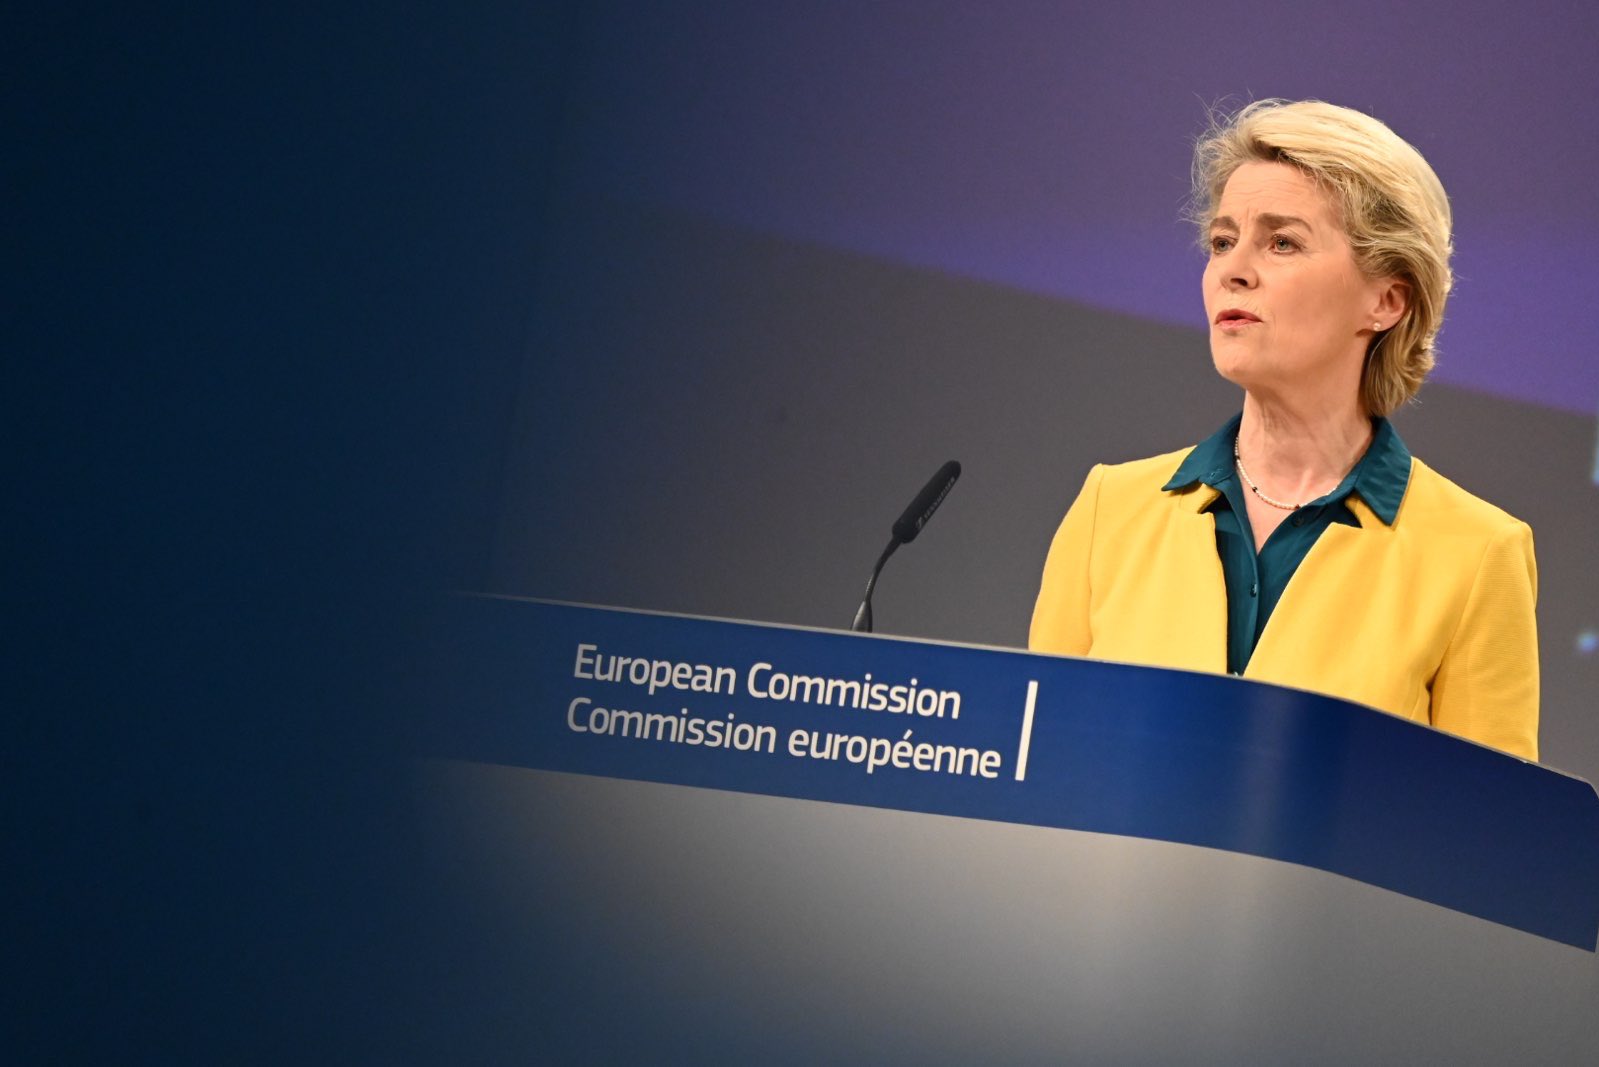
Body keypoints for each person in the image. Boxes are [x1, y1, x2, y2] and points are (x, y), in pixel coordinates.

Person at [1028, 100, 1539, 761]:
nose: (1232, 270)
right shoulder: (1109, 511)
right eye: (1222, 241)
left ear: (1386, 300)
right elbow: (1039, 773)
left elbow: (1485, 818)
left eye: (1282, 242)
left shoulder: (1475, 554)